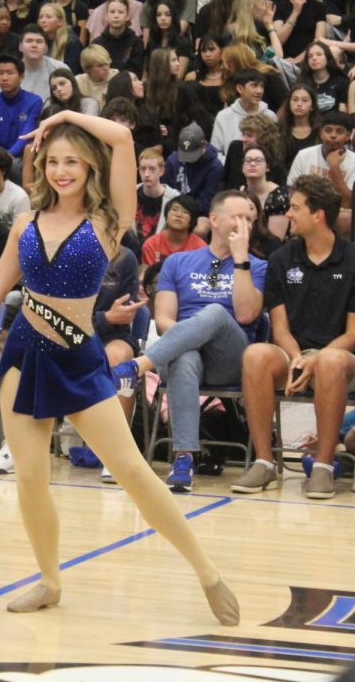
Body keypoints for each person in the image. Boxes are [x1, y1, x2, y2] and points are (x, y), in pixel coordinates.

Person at [0, 108, 239, 624]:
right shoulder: (24, 224)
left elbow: (123, 135)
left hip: (78, 358)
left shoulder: (108, 221)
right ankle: (50, 580)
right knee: (30, 477)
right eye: (53, 161)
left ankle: (207, 571)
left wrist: (63, 116)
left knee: (133, 472)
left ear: (89, 167)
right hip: (22, 355)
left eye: (72, 161)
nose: (61, 171)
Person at [111, 190, 266, 491]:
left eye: (249, 219)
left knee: (216, 312)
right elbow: (165, 318)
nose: (244, 224)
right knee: (184, 358)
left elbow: (246, 316)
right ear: (215, 220)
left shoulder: (257, 266)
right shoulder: (178, 263)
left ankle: (139, 365)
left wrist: (241, 259)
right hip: (184, 353)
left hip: (230, 359)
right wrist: (189, 338)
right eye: (237, 217)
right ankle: (183, 459)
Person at [237, 174, 355, 498]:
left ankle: (323, 467)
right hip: (294, 353)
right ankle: (263, 461)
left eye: (295, 208)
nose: (288, 214)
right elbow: (280, 328)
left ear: (318, 215)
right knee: (256, 354)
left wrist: (315, 361)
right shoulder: (281, 259)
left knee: (329, 361)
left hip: (346, 359)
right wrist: (299, 356)